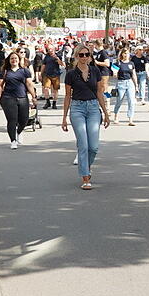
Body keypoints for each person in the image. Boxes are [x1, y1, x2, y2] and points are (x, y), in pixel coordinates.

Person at [61, 44, 109, 190]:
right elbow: (68, 96)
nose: (84, 57)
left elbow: (99, 93)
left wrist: (106, 113)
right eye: (81, 55)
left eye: (86, 54)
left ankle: (86, 166)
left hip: (93, 107)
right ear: (76, 56)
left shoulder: (95, 71)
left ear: (89, 56)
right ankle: (85, 177)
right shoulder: (70, 74)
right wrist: (64, 117)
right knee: (83, 144)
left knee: (93, 147)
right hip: (77, 109)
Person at [0, 51, 36, 150]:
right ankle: (13, 140)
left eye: (16, 58)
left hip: (22, 97)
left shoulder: (25, 71)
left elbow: (29, 84)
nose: (14, 60)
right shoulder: (5, 71)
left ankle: (19, 132)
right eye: (12, 59)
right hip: (8, 98)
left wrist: (34, 96)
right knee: (12, 120)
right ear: (9, 61)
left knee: (24, 119)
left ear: (19, 60)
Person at [111, 49, 137, 125]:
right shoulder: (118, 63)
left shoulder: (131, 63)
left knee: (131, 101)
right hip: (121, 83)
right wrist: (115, 74)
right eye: (125, 53)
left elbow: (133, 75)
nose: (126, 55)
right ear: (122, 54)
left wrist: (136, 85)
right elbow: (114, 73)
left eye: (128, 53)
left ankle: (130, 119)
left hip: (130, 83)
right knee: (119, 101)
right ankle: (116, 116)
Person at [41, 45, 64, 109]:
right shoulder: (46, 56)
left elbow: (62, 64)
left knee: (55, 90)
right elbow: (43, 65)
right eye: (48, 49)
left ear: (54, 49)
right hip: (47, 74)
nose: (50, 50)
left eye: (51, 49)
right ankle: (47, 102)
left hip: (55, 75)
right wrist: (41, 73)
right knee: (46, 88)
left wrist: (57, 58)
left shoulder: (58, 55)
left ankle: (54, 103)